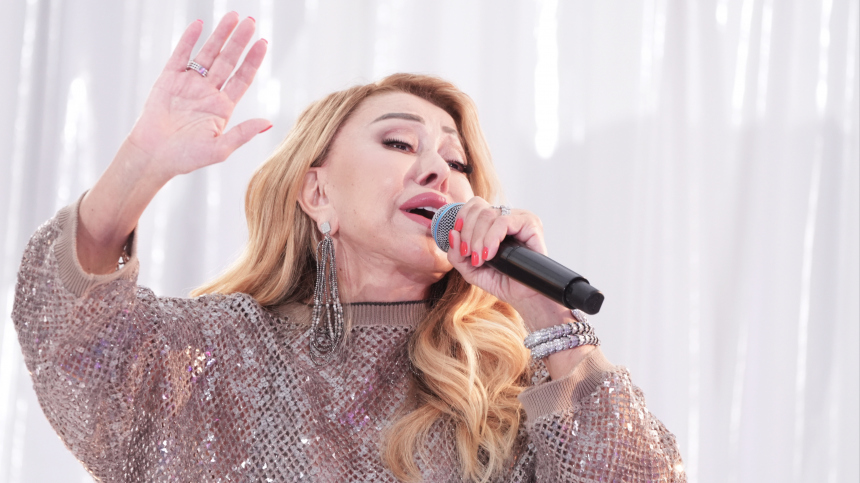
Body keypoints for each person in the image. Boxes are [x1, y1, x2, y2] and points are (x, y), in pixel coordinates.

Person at [13, 12, 685, 482]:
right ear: (318, 194)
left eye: (456, 161)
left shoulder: (509, 392)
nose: (438, 169)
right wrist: (141, 162)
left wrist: (546, 314)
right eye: (399, 142)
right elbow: (69, 333)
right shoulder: (220, 355)